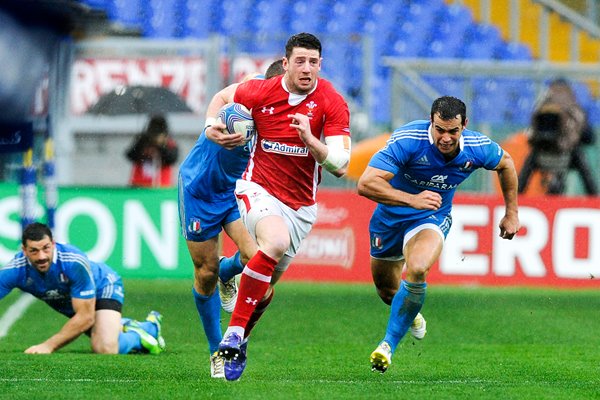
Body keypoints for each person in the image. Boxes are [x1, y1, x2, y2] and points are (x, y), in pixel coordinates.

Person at [204, 32, 352, 381]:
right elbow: (222, 96)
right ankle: (234, 333)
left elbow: (341, 164)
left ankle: (241, 340)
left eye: (313, 62)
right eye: (300, 61)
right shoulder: (261, 90)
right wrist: (211, 127)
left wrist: (310, 140)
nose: (307, 68)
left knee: (265, 289)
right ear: (285, 63)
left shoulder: (331, 101)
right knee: (274, 243)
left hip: (301, 207)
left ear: (320, 65)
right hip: (257, 188)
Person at [357, 96, 520, 373]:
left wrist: (512, 213)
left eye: (452, 131)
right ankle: (412, 314)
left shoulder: (477, 148)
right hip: (390, 218)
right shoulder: (408, 139)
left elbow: (506, 163)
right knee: (387, 292)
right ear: (431, 122)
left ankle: (386, 346)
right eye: (439, 130)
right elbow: (365, 184)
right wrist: (412, 199)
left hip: (431, 216)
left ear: (464, 126)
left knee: (418, 268)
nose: (445, 138)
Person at [178, 60, 285, 379]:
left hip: (238, 189)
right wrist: (212, 125)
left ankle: (229, 274)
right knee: (205, 271)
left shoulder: (291, 113)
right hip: (201, 188)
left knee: (258, 258)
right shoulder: (243, 105)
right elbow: (222, 98)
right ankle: (216, 351)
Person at [0, 222, 165, 355]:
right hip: (74, 300)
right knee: (101, 334)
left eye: (46, 248)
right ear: (24, 250)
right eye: (34, 251)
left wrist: (48, 346)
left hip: (103, 286)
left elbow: (86, 318)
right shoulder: (15, 270)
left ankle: (145, 331)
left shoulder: (73, 262)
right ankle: (126, 324)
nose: (42, 256)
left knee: (105, 348)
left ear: (53, 244)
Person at [518, 78, 597, 195]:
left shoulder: (542, 106)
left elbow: (531, 137)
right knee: (580, 158)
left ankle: (515, 198)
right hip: (566, 154)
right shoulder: (574, 109)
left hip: (545, 153)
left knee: (530, 161)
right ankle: (594, 200)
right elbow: (589, 138)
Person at [125, 114, 179, 187]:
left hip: (161, 185)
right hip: (138, 185)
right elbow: (130, 155)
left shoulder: (169, 143)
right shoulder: (142, 141)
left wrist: (160, 146)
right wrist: (141, 143)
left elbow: (172, 159)